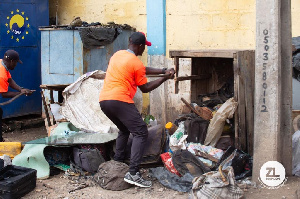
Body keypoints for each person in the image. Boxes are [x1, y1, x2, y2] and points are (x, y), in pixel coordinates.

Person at [99, 32, 175, 188]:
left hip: (104, 100)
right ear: (140, 46)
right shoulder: (136, 63)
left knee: (124, 129)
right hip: (120, 100)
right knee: (141, 131)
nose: (144, 50)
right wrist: (165, 77)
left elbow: (141, 69)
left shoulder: (118, 55)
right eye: (144, 47)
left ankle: (118, 162)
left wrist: (162, 70)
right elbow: (145, 88)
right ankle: (133, 173)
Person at [0, 50, 33, 142]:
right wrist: (21, 93)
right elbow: (4, 94)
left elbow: (10, 81)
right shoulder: (1, 74)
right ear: (11, 61)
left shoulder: (2, 64)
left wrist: (21, 89)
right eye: (15, 63)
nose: (16, 65)